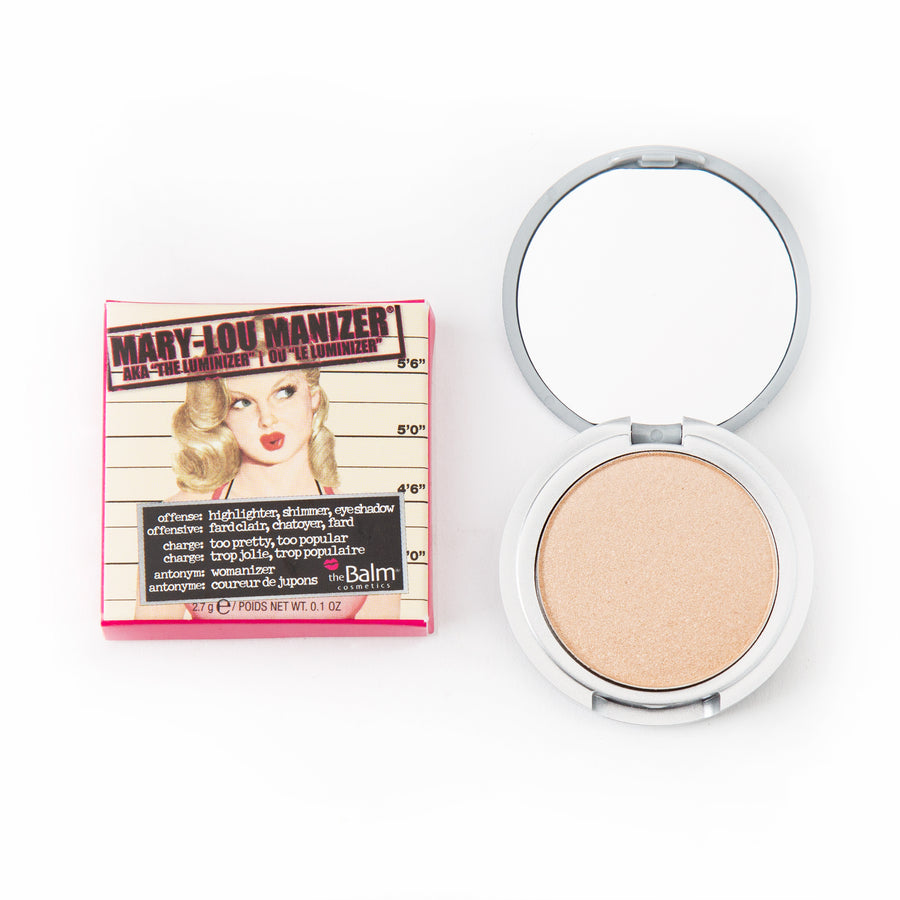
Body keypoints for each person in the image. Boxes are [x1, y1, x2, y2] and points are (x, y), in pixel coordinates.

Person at [136, 364, 398, 621]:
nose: (267, 419)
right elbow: (149, 642)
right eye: (242, 403)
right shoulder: (176, 520)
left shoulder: (372, 524)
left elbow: (385, 643)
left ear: (313, 396)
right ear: (219, 414)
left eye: (284, 392)